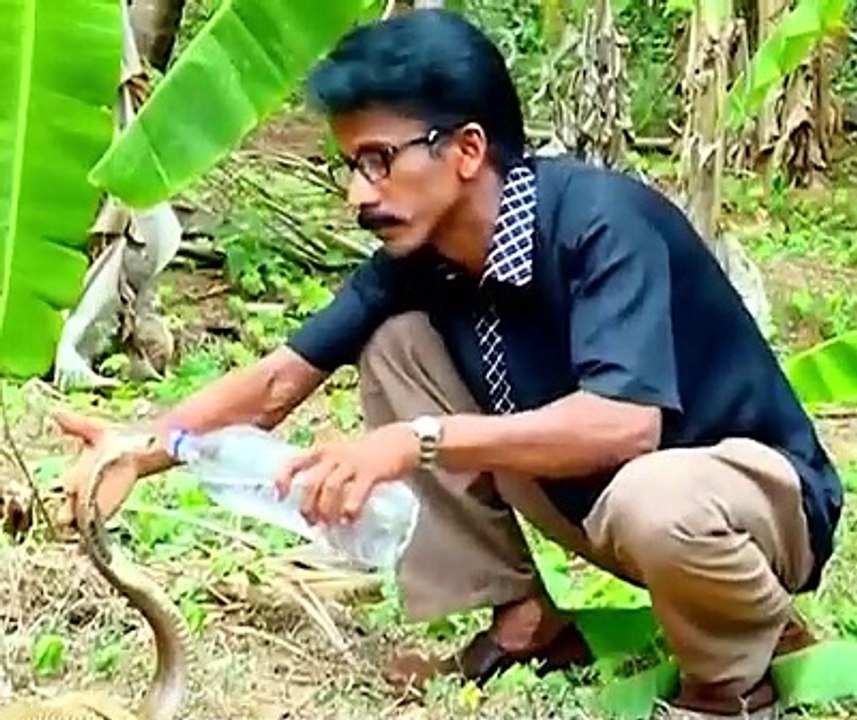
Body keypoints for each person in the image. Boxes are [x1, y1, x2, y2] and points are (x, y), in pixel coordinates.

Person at [56, 9, 842, 720]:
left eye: (378, 159)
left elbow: (625, 426)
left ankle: (725, 688)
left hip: (747, 503)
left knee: (654, 493)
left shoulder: (602, 223)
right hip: (602, 507)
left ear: (466, 149)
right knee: (397, 347)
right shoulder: (419, 254)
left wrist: (416, 441)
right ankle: (522, 618)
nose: (360, 194)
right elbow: (276, 381)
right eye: (349, 166)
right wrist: (138, 448)